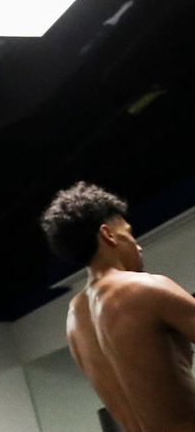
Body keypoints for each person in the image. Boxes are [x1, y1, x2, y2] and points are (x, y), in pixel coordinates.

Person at [41, 181, 195, 432]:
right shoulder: (146, 288)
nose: (137, 245)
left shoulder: (74, 320)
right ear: (108, 234)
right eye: (129, 233)